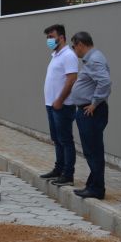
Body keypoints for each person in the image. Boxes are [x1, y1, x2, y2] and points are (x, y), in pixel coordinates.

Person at [70, 32, 111, 200]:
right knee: (91, 150)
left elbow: (105, 82)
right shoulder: (92, 58)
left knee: (93, 150)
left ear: (80, 44)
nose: (74, 50)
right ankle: (92, 185)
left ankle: (97, 189)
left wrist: (94, 103)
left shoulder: (94, 59)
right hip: (88, 111)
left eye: (74, 46)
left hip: (92, 112)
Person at [40, 24, 79, 187]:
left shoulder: (68, 55)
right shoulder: (56, 55)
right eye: (47, 37)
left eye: (51, 37)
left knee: (65, 140)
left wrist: (60, 100)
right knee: (57, 139)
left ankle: (68, 174)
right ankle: (59, 169)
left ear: (61, 37)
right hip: (52, 105)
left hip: (62, 106)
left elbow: (71, 79)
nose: (49, 40)